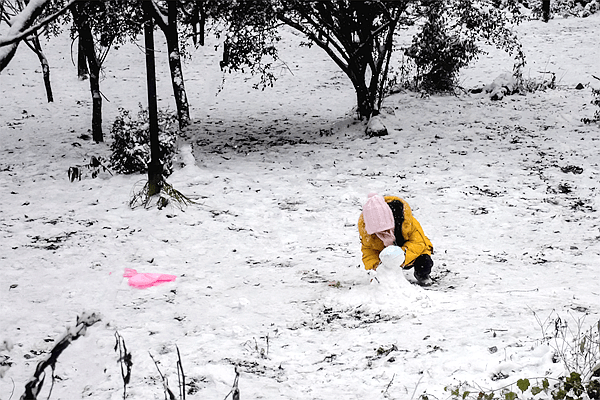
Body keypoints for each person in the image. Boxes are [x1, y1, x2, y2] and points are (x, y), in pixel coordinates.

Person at [358, 193, 434, 286]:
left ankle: (422, 275)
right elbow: (368, 253)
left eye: (386, 230)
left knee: (424, 262)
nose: (384, 234)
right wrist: (377, 269)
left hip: (412, 253)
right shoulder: (367, 233)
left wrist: (398, 257)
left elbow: (418, 243)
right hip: (384, 257)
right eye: (380, 233)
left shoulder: (407, 223)